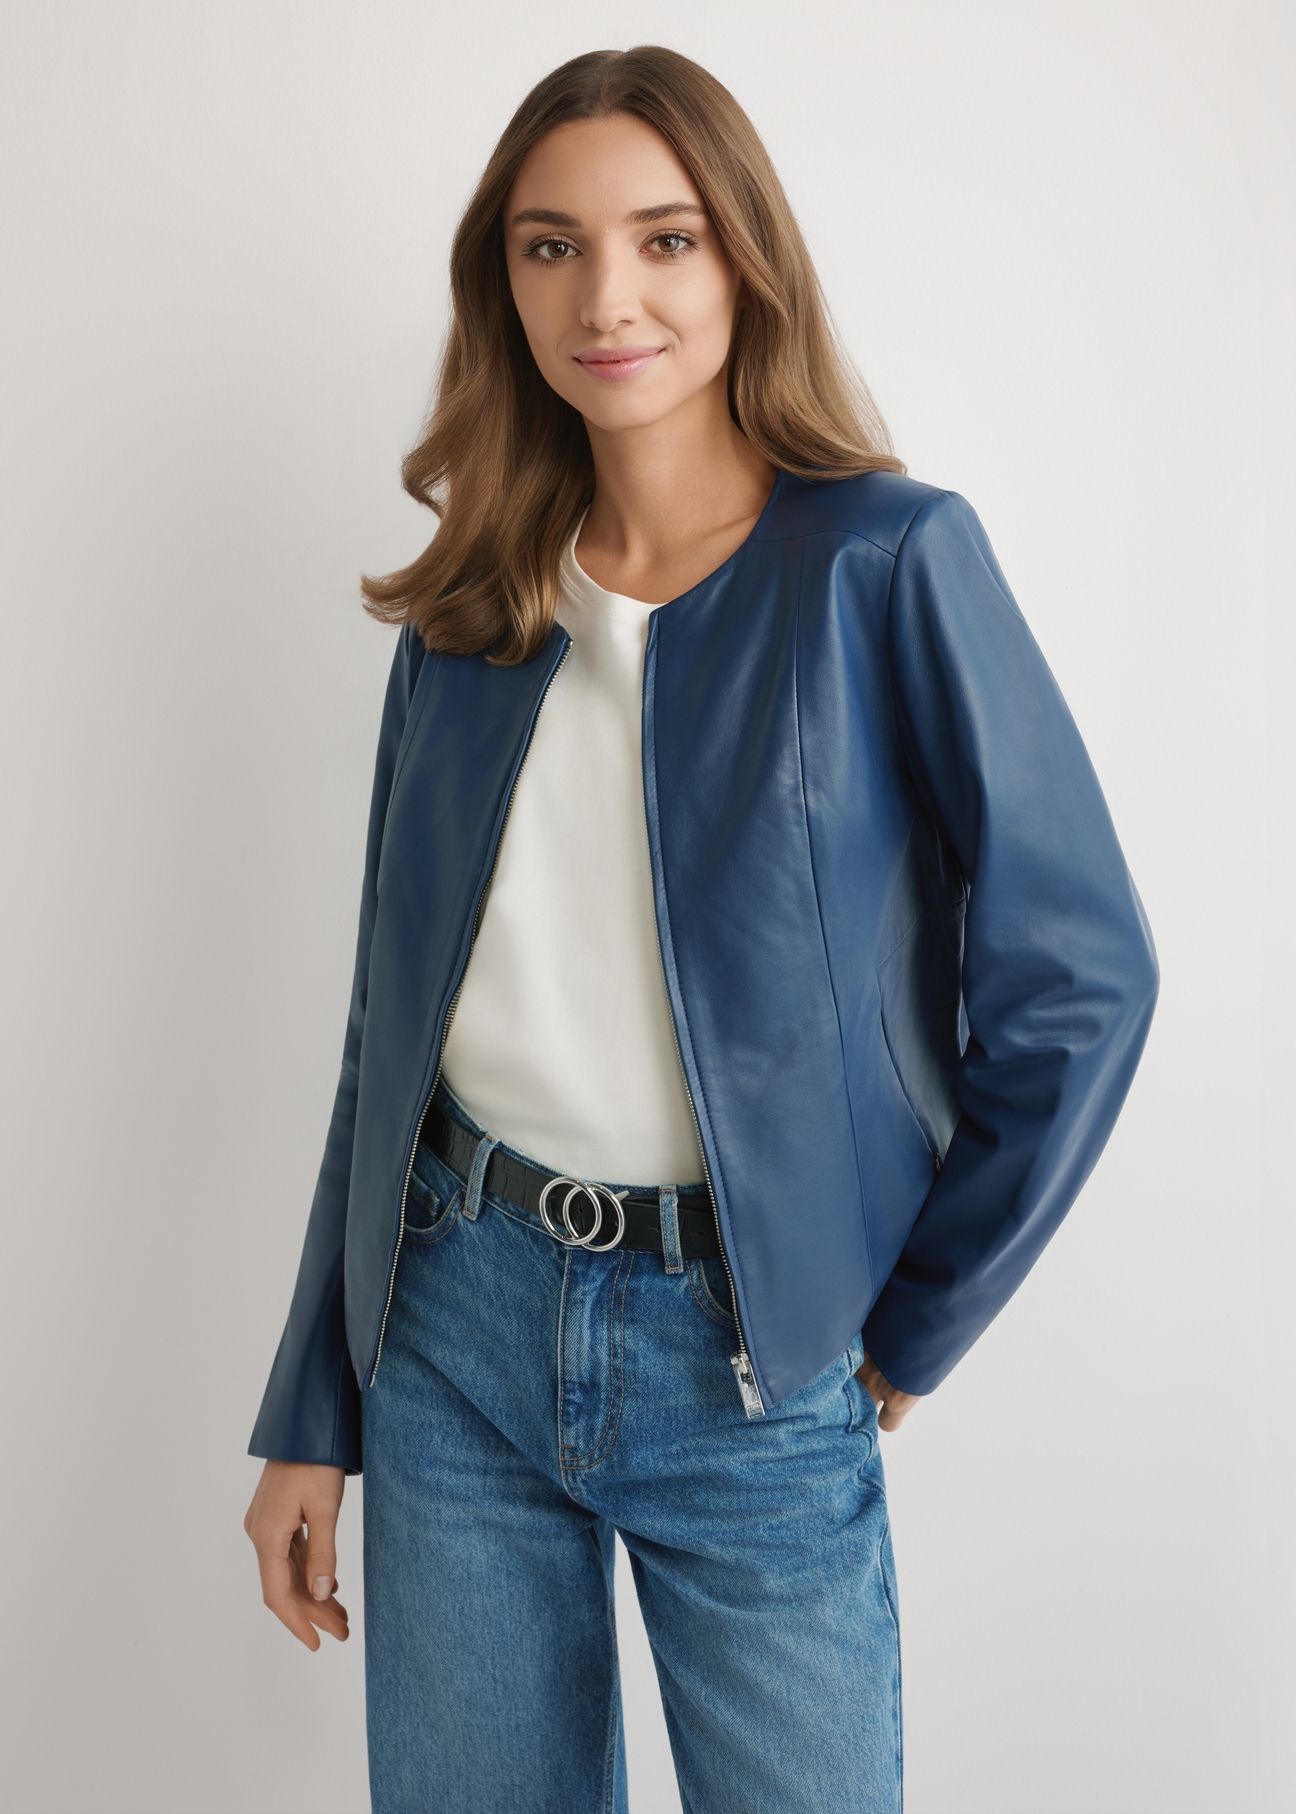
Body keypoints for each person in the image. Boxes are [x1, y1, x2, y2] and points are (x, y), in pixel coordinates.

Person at [244, 45, 1158, 1814]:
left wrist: (906, 1323)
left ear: (745, 259)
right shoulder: (470, 606)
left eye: (665, 240)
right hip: (451, 1328)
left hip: (746, 1354)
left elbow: (1083, 980)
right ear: (503, 284)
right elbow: (386, 1031)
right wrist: (312, 1403)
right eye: (553, 246)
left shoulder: (886, 562)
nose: (608, 298)